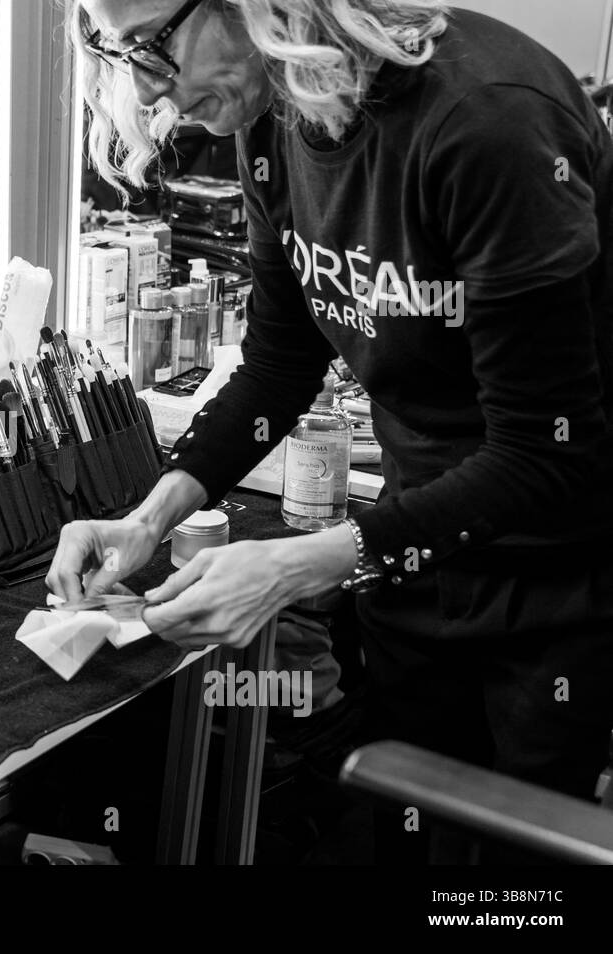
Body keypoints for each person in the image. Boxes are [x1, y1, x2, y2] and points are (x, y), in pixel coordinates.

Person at [50, 0, 613, 815]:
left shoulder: (488, 121)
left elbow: (544, 452)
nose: (146, 90)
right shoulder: (278, 115)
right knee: (407, 829)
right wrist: (151, 517)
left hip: (559, 579)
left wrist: (297, 564)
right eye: (120, 51)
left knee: (509, 884)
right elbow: (280, 366)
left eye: (154, 47)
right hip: (414, 544)